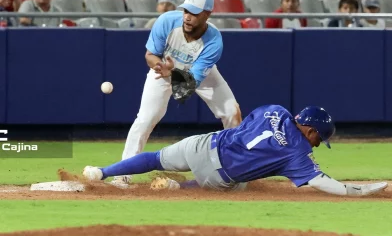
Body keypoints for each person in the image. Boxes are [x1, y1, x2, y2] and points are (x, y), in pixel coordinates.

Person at [83, 104, 388, 196]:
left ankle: (101, 172)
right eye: (318, 139)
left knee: (154, 158)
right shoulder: (299, 153)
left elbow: (247, 124)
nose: (317, 144)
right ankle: (182, 186)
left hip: (203, 143)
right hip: (217, 174)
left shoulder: (275, 109)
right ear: (310, 131)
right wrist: (356, 191)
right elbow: (322, 182)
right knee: (242, 182)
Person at [110, 0, 242, 188]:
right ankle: (123, 174)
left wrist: (173, 74)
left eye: (195, 13)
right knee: (145, 119)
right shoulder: (166, 21)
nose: (188, 17)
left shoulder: (214, 41)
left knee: (232, 111)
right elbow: (150, 55)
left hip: (196, 75)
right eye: (186, 11)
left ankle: (239, 168)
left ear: (208, 14)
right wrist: (161, 67)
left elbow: (187, 88)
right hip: (162, 71)